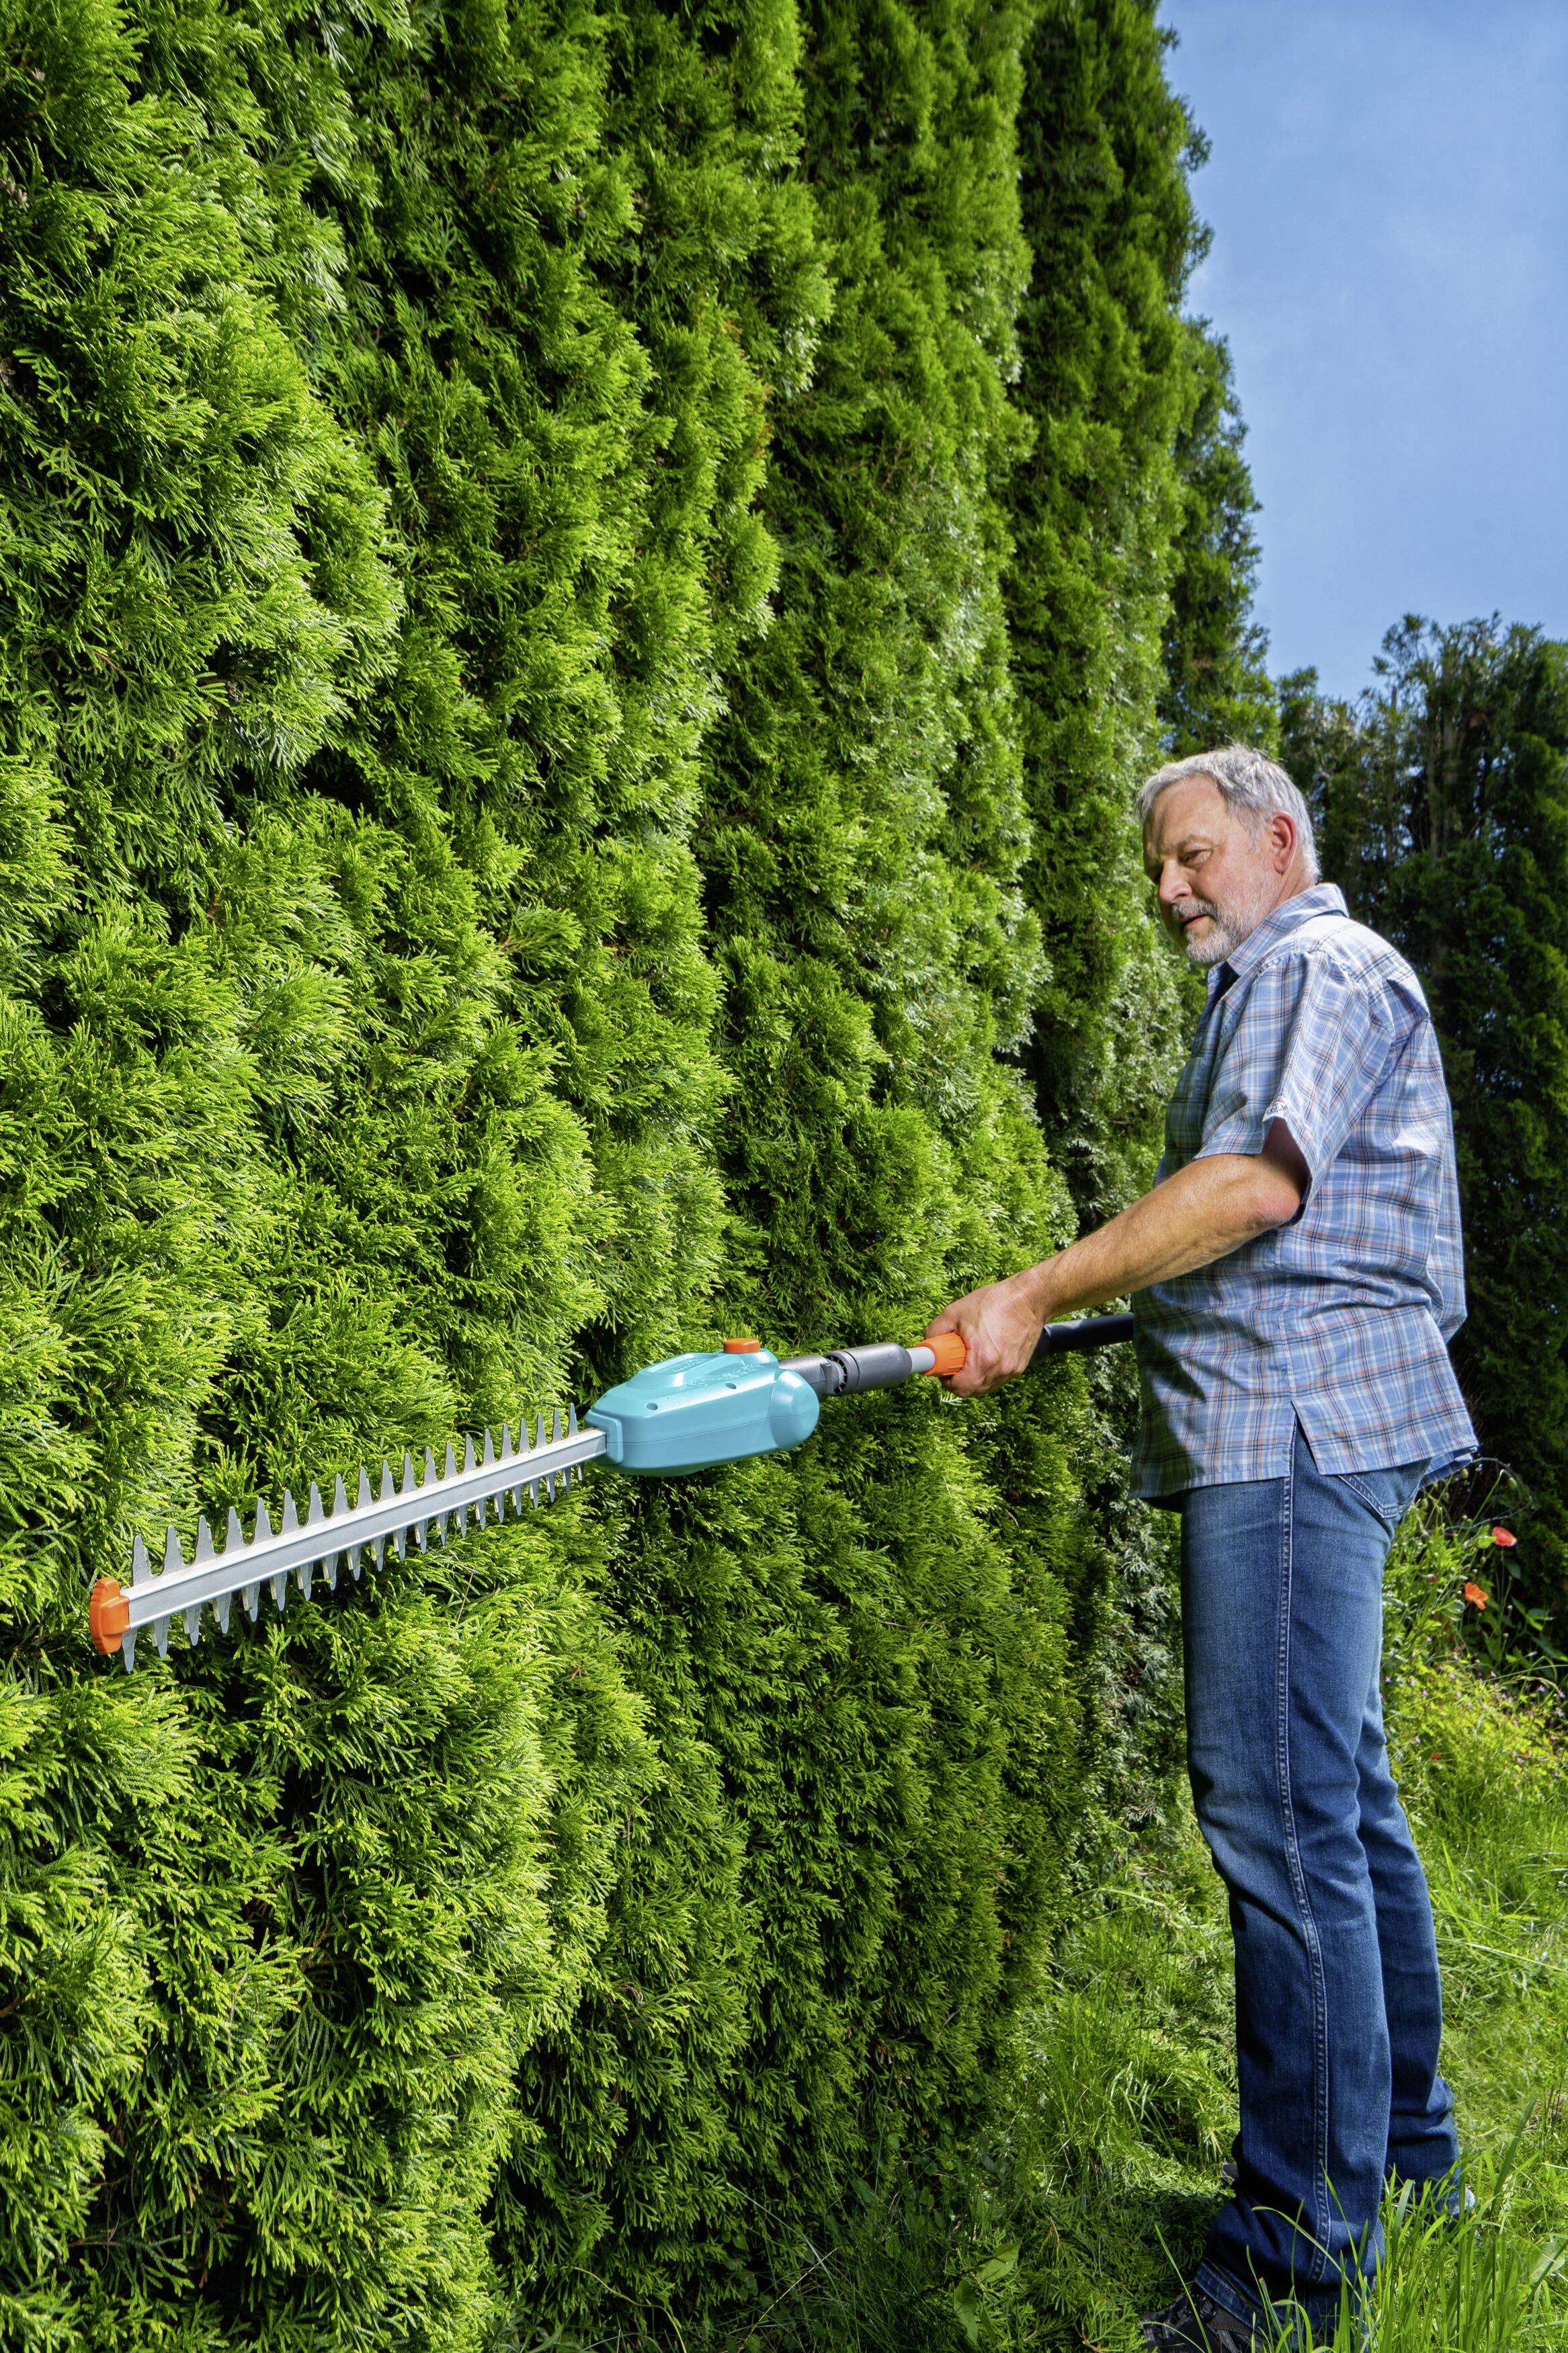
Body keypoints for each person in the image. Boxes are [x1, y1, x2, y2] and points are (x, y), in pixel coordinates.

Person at [926, 746, 1475, 2351]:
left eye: (1189, 853)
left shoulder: (1311, 958)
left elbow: (1251, 1187)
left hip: (1292, 1441)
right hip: (1307, 1426)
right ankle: (1403, 2176)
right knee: (1346, 1815)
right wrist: (1105, 1306)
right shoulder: (1293, 981)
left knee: (1282, 1822)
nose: (1168, 885)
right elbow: (1250, 1233)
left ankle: (1297, 2269)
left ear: (1278, 836)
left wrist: (1033, 1289)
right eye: (1159, 865)